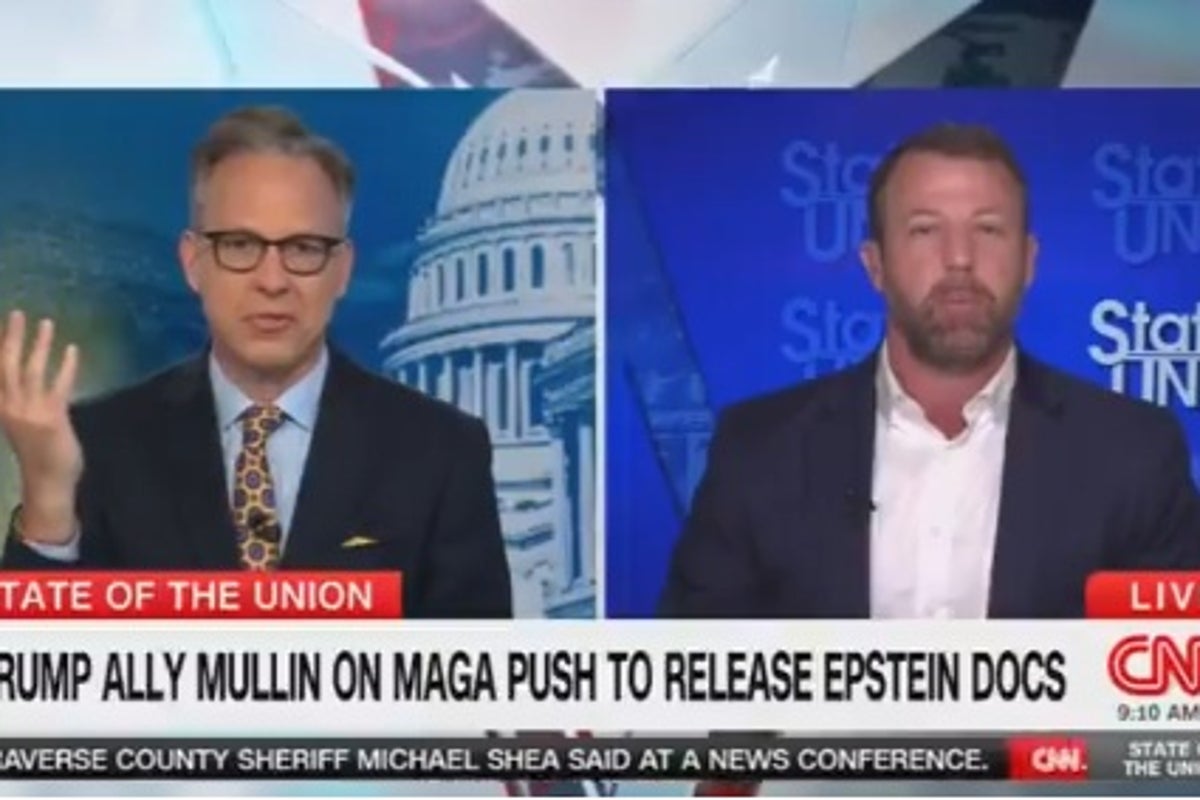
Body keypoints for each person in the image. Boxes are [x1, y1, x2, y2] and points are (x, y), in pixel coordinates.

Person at [659, 122, 1200, 619]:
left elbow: (1167, 670)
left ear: (1029, 261)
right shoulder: (759, 449)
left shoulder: (1133, 452)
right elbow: (697, 668)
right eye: (924, 230)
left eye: (988, 230)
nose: (959, 258)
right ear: (875, 265)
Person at [0, 106, 512, 618]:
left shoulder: (441, 452)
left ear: (342, 270)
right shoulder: (96, 446)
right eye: (240, 245)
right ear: (193, 263)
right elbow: (40, 661)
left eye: (304, 248)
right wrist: (48, 503)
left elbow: (474, 664)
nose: (272, 281)